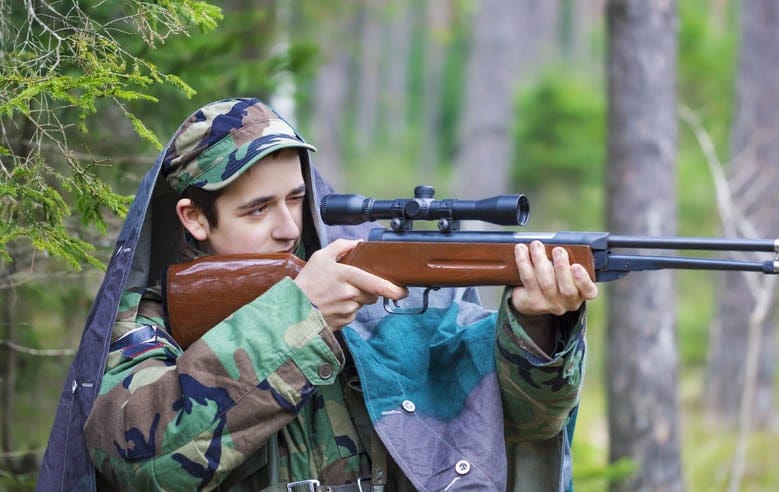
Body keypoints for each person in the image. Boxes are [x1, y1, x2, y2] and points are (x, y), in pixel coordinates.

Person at [38, 97, 597, 491]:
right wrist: (300, 318)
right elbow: (140, 460)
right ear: (194, 218)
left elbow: (522, 422)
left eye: (296, 199)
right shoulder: (150, 330)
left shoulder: (378, 302)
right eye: (257, 209)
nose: (286, 227)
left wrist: (535, 325)